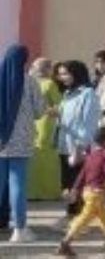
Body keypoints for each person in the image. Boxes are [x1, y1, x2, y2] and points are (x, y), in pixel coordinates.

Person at [56, 127, 105, 256]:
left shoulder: (91, 155)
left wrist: (75, 188)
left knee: (104, 218)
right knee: (84, 218)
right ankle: (65, 243)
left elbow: (82, 174)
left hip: (88, 192)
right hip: (96, 194)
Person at [0, 45, 44, 243]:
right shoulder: (30, 82)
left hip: (0, 140)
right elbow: (39, 111)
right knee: (17, 184)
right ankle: (19, 229)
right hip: (21, 140)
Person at [56, 60, 101, 223]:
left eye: (65, 73)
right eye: (60, 74)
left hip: (78, 147)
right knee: (67, 185)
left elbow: (89, 122)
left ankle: (80, 219)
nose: (62, 77)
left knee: (78, 185)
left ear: (76, 73)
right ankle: (72, 216)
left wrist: (81, 146)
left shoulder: (88, 94)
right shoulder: (67, 94)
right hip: (65, 145)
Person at [27, 58, 62, 201]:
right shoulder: (47, 84)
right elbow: (60, 106)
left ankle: (36, 192)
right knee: (46, 158)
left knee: (37, 157)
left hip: (37, 124)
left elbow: (59, 106)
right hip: (42, 124)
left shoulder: (33, 83)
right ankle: (47, 192)